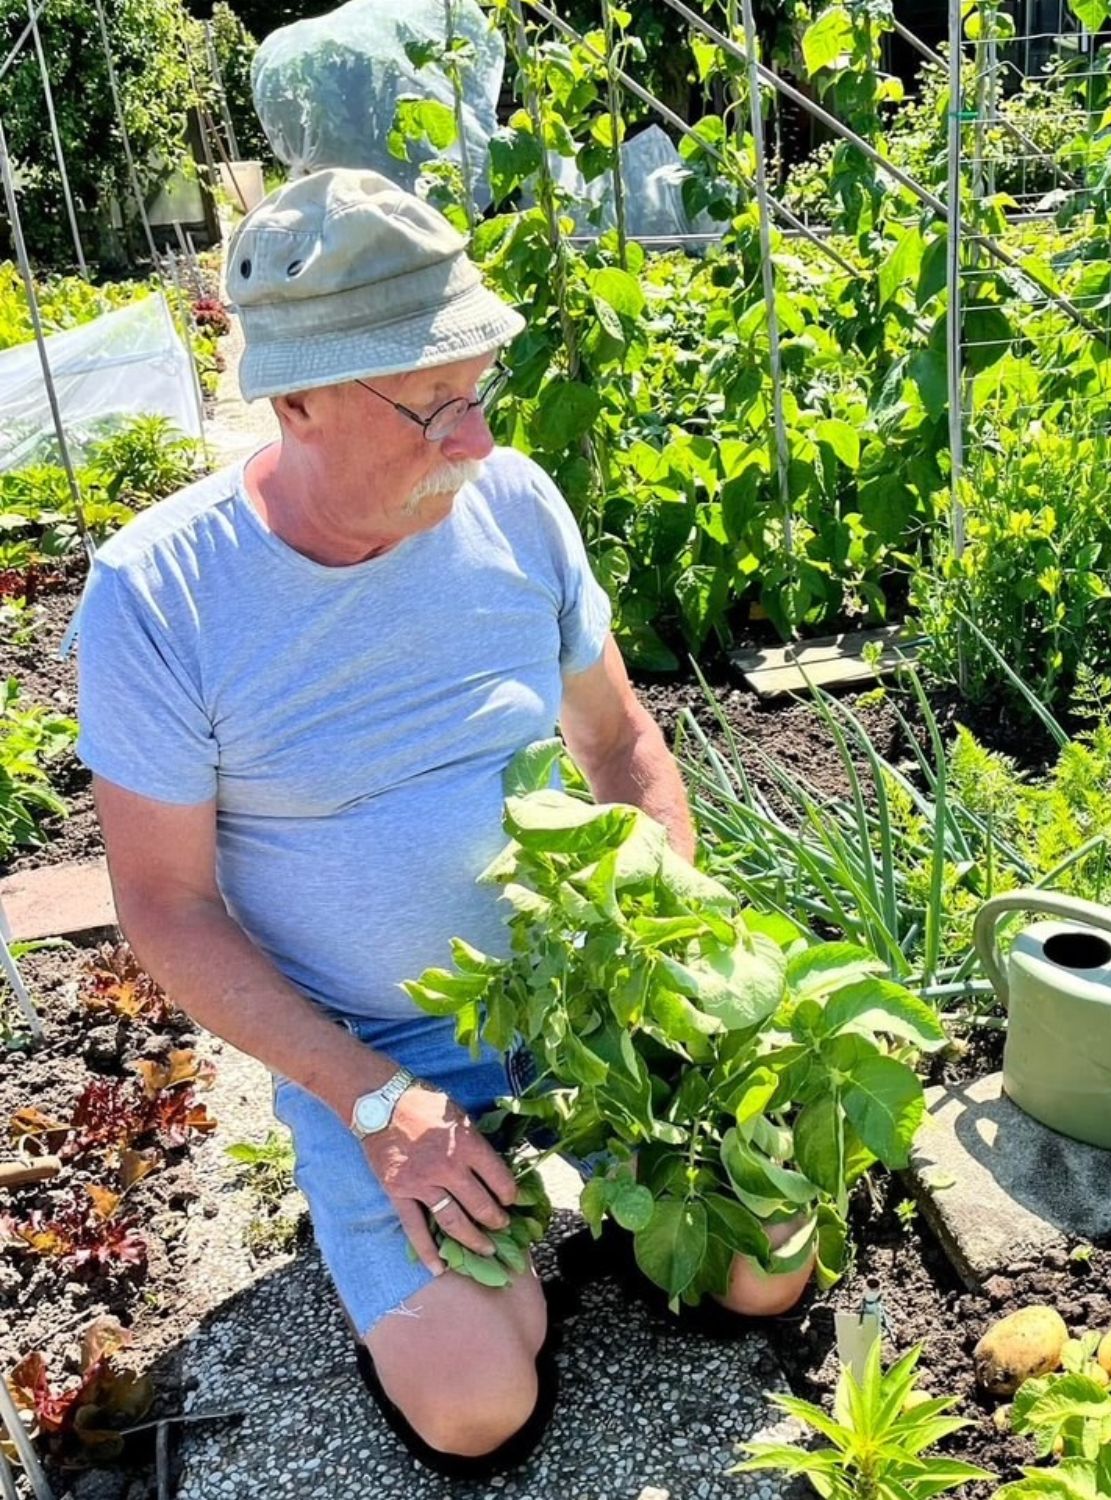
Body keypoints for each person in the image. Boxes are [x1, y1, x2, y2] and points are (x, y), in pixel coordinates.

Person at [74, 168, 704, 1480]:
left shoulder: (516, 506)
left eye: (481, 392)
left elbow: (623, 746)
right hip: (375, 1048)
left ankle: (537, 1219)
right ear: (294, 399)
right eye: (433, 408)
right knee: (479, 1398)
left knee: (761, 1271)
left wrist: (659, 945)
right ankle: (450, 1231)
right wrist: (376, 1106)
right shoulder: (161, 596)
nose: (475, 442)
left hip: (574, 998)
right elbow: (167, 908)